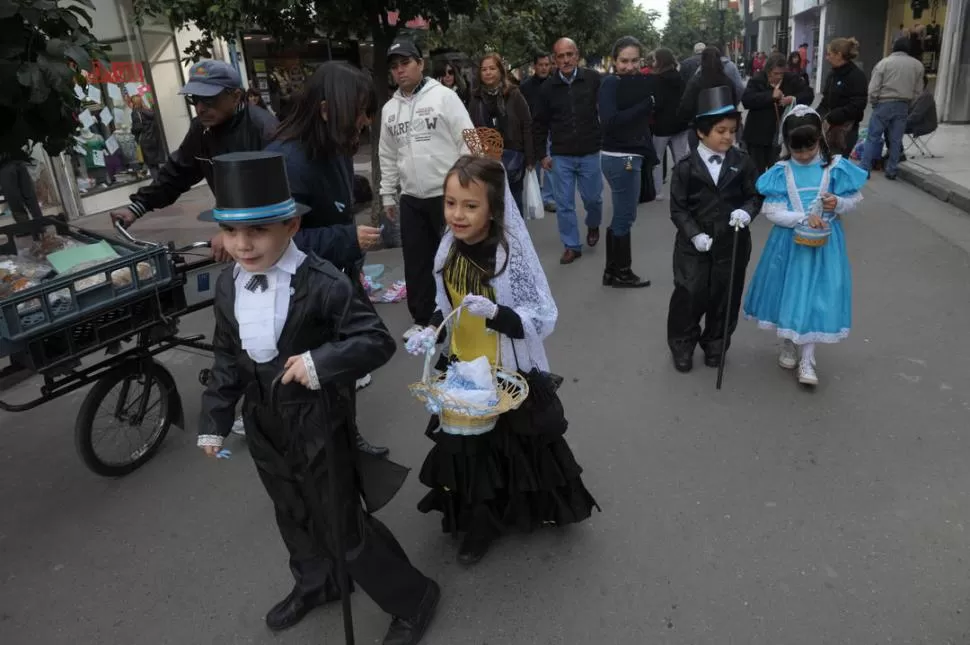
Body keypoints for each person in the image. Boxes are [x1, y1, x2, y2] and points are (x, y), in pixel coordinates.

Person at [197, 150, 440, 644]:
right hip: (265, 422)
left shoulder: (324, 282)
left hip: (317, 422)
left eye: (259, 230)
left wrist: (319, 363)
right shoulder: (228, 285)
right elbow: (226, 356)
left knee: (340, 523)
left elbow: (376, 340)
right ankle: (319, 582)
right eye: (232, 231)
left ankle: (413, 596)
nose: (242, 244)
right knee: (291, 510)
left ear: (291, 225)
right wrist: (215, 419)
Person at [404, 155, 598, 566]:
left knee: (515, 443)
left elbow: (542, 316)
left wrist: (498, 315)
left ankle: (529, 507)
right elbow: (447, 306)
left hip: (506, 369)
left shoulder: (509, 256)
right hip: (463, 369)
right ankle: (480, 521)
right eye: (450, 203)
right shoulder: (448, 251)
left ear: (494, 209)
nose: (457, 214)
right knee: (469, 451)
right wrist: (431, 330)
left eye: (470, 206)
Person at [265, 60, 389, 458]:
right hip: (302, 300)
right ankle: (325, 456)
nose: (365, 122)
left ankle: (346, 439)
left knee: (345, 370)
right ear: (324, 110)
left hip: (335, 283)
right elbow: (275, 246)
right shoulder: (286, 162)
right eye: (359, 112)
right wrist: (346, 238)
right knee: (316, 386)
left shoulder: (332, 147)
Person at [743, 106, 867, 386]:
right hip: (789, 245)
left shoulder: (834, 167)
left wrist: (839, 202)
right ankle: (788, 341)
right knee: (789, 292)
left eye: (809, 147)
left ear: (819, 139)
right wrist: (804, 217)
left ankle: (808, 359)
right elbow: (771, 211)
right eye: (796, 149)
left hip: (825, 246)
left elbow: (852, 201)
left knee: (817, 298)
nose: (803, 154)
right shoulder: (780, 172)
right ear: (786, 144)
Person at [109, 60, 279, 263]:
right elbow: (178, 172)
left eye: (209, 100)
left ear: (235, 96)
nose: (200, 108)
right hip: (239, 235)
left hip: (272, 238)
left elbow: (274, 195)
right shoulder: (201, 129)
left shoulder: (264, 130)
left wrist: (236, 233)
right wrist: (137, 207)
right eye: (195, 99)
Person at [379, 38, 474, 341]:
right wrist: (387, 193)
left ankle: (466, 311)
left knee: (456, 258)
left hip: (447, 196)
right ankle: (424, 319)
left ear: (420, 64)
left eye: (405, 63)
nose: (400, 71)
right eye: (394, 67)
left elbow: (468, 140)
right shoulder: (389, 109)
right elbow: (388, 155)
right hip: (411, 198)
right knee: (418, 261)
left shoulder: (444, 97)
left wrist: (470, 185)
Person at [666, 86, 763, 373]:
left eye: (732, 130)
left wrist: (746, 212)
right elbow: (678, 208)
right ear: (701, 132)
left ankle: (716, 344)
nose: (728, 137)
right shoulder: (685, 167)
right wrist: (694, 234)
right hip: (693, 243)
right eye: (721, 130)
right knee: (689, 293)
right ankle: (682, 344)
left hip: (731, 240)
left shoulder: (742, 161)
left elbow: (755, 195)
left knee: (726, 294)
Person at [532, 37, 603, 265]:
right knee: (564, 204)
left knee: (593, 199)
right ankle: (572, 245)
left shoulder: (592, 79)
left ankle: (593, 224)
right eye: (560, 56)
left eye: (569, 54)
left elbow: (607, 109)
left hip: (590, 151)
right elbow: (540, 124)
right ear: (555, 60)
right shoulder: (547, 88)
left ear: (577, 55)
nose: (565, 60)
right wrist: (542, 154)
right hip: (561, 155)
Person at [599, 36, 656, 289]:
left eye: (634, 61)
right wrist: (646, 105)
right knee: (625, 215)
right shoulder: (611, 83)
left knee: (622, 215)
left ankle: (612, 272)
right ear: (614, 61)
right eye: (624, 61)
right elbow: (610, 120)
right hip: (622, 159)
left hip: (626, 156)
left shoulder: (632, 83)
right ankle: (622, 272)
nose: (629, 66)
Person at [467, 53, 535, 211]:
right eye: (484, 69)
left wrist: (530, 159)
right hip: (486, 161)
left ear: (500, 71)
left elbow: (526, 125)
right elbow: (469, 129)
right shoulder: (475, 98)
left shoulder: (514, 94)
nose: (488, 72)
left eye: (492, 68)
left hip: (514, 159)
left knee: (514, 205)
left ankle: (516, 236)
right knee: (492, 206)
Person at [860, 37, 925, 180]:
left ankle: (865, 169)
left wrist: (874, 102)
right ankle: (892, 170)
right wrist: (909, 104)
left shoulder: (884, 63)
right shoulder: (917, 65)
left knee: (873, 137)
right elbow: (918, 91)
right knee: (896, 139)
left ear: (894, 47)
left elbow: (873, 88)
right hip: (903, 104)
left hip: (883, 103)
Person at [742, 53, 815, 174]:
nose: (779, 76)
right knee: (756, 171)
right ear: (768, 71)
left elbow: (809, 94)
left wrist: (793, 99)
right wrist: (770, 96)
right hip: (757, 136)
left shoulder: (791, 79)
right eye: (776, 73)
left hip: (781, 136)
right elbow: (747, 100)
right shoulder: (757, 79)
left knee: (778, 171)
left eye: (782, 73)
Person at [678, 48, 741, 148]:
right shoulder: (727, 81)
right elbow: (734, 99)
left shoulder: (696, 81)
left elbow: (686, 106)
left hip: (700, 129)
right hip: (723, 127)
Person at [519, 52, 557, 213]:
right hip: (531, 131)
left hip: (551, 131)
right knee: (532, 166)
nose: (543, 68)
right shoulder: (525, 87)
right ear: (535, 66)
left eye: (546, 65)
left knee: (549, 165)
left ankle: (548, 198)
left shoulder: (555, 84)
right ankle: (533, 197)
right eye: (540, 65)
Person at [650, 47, 690, 201]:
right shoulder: (679, 78)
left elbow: (657, 103)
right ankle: (683, 190)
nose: (653, 63)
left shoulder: (657, 80)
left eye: (654, 59)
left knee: (658, 159)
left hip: (662, 125)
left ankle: (658, 191)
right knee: (680, 159)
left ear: (660, 61)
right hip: (680, 124)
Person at [817, 37, 868, 157]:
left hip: (845, 132)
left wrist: (834, 116)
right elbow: (825, 100)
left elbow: (858, 104)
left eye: (829, 54)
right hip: (828, 129)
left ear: (839, 55)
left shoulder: (856, 76)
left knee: (836, 165)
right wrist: (815, 115)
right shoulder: (832, 74)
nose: (827, 57)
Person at [0, 152, 43, 223]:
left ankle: (31, 226)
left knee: (17, 199)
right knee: (26, 197)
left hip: (10, 164)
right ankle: (37, 224)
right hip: (14, 162)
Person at [129, 95, 163, 181]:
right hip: (154, 140)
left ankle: (158, 185)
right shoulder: (148, 111)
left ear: (133, 103)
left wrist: (132, 130)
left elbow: (137, 128)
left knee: (151, 166)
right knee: (155, 164)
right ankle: (162, 183)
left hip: (145, 141)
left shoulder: (135, 113)